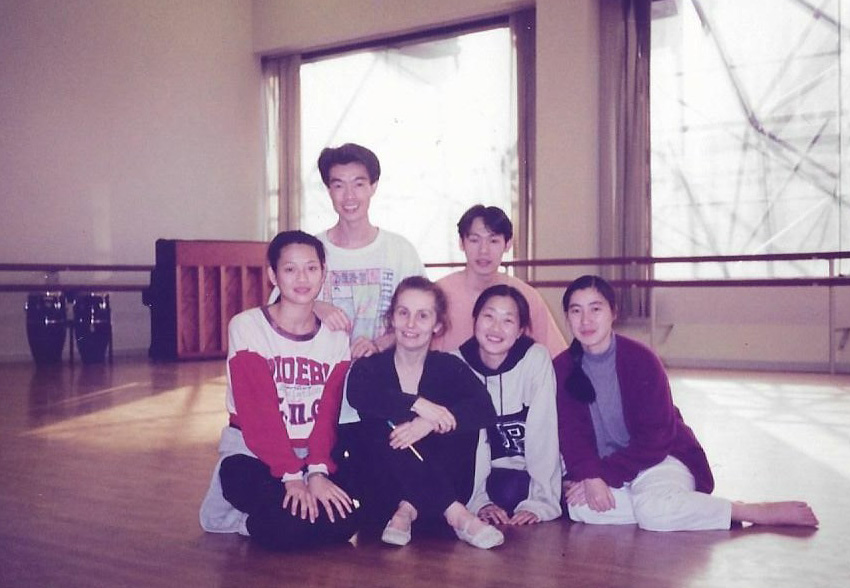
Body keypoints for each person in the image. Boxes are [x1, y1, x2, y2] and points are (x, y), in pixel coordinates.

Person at [555, 274, 819, 531]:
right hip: (609, 469)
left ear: (613, 312)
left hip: (658, 460)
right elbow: (572, 437)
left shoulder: (641, 360)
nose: (586, 320)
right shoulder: (562, 368)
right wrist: (590, 476)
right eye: (576, 311)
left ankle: (746, 511)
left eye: (596, 309)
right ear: (567, 317)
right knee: (583, 508)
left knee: (648, 509)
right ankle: (678, 507)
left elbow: (655, 440)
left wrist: (596, 476)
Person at [199, 230, 359, 550]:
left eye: (311, 268)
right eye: (290, 269)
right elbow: (259, 415)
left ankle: (270, 519)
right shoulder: (247, 326)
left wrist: (316, 472)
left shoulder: (335, 338)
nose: (302, 278)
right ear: (273, 275)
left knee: (346, 520)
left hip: (308, 456)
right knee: (292, 523)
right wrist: (292, 477)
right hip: (251, 454)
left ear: (323, 273)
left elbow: (327, 414)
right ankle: (243, 520)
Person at [346, 276, 505, 549]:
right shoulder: (370, 367)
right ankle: (457, 515)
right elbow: (358, 394)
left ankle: (409, 508)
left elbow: (484, 409)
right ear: (391, 318)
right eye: (403, 313)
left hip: (438, 500)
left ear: (437, 324)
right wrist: (417, 404)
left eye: (422, 316)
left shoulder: (449, 366)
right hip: (384, 499)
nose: (411, 324)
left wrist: (429, 423)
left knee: (454, 418)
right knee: (376, 424)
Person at [457, 285, 562, 525]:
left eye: (508, 320)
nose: (496, 328)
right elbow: (465, 448)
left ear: (520, 330)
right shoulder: (457, 363)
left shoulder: (535, 358)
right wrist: (479, 502)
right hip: (481, 478)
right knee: (502, 491)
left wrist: (541, 502)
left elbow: (543, 431)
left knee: (514, 490)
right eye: (489, 316)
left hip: (526, 472)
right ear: (475, 320)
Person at [431, 204, 567, 357]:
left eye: (494, 241)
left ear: (507, 244)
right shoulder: (437, 295)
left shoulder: (526, 296)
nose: (484, 250)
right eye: (474, 240)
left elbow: (556, 356)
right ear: (462, 243)